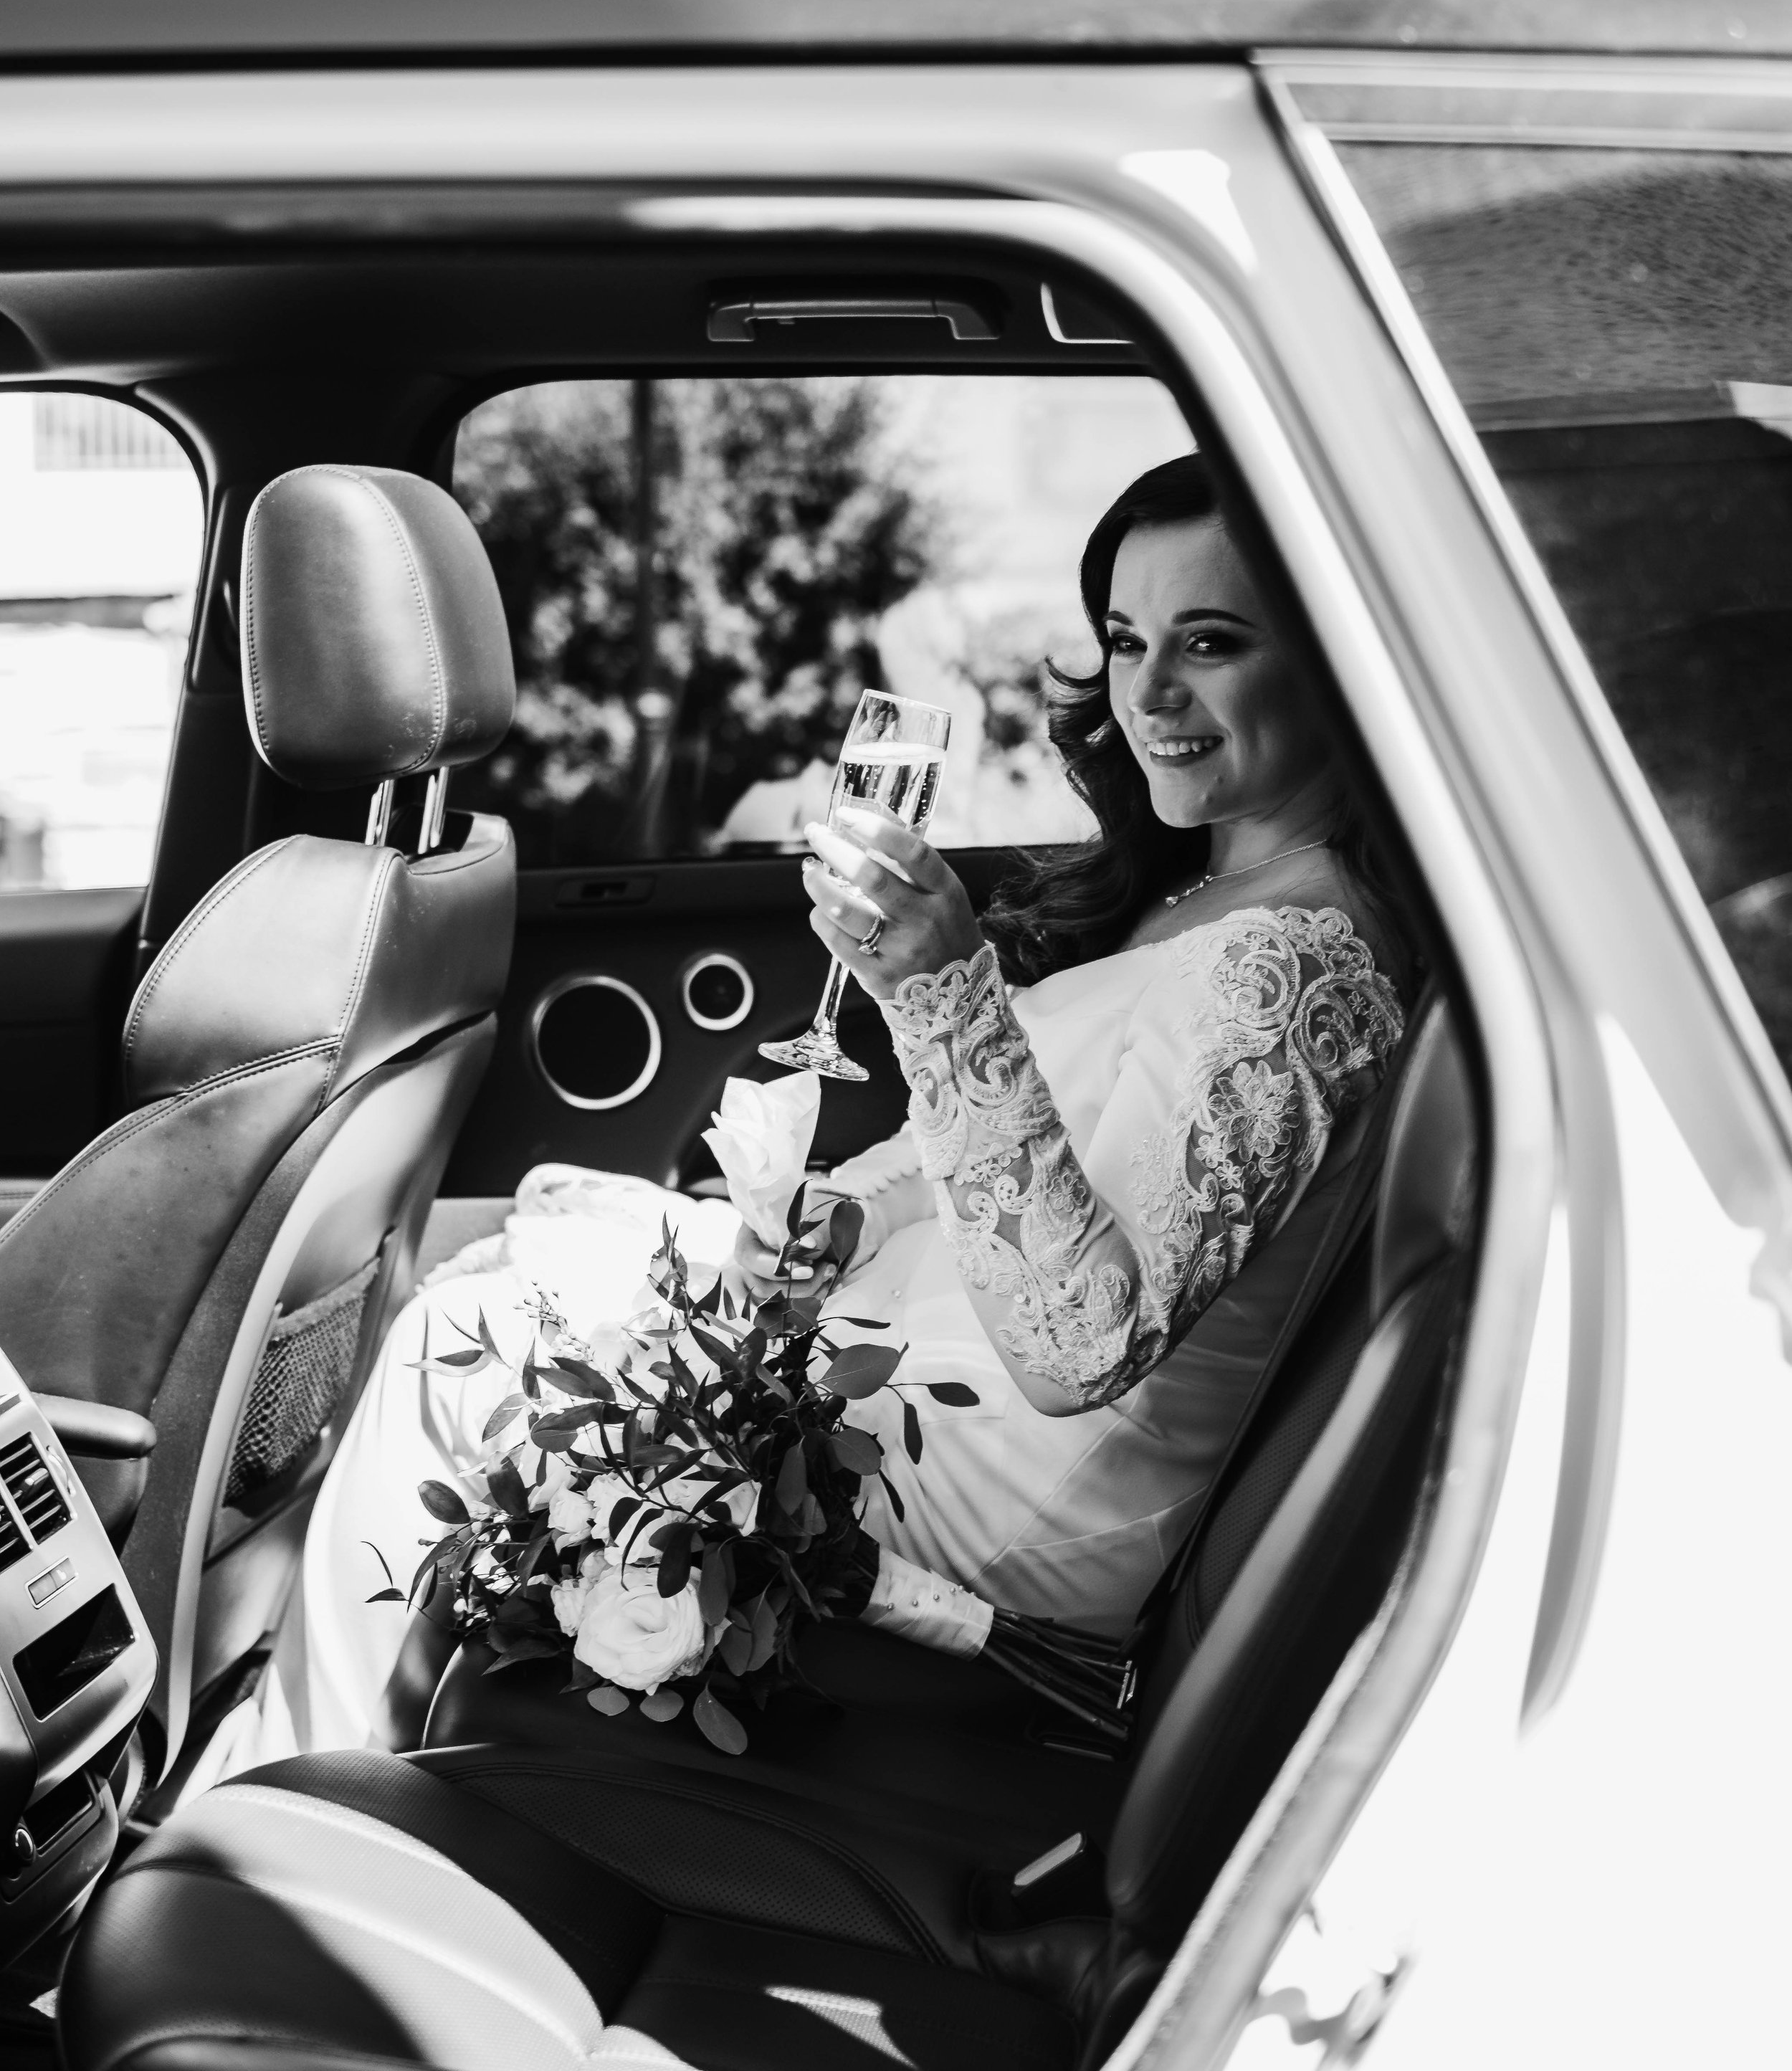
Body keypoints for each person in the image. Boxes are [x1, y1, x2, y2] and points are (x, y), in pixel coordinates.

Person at [293, 455, 1408, 1754]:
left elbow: (1082, 1337)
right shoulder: (1203, 891)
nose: (1150, 691)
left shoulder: (1296, 964)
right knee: (529, 1250)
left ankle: (301, 1796)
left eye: (1209, 643)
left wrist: (943, 996)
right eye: (1124, 640)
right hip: (919, 1370)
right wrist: (838, 1222)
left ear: (1336, 656)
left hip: (1001, 1494)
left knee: (455, 1335)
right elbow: (1022, 1159)